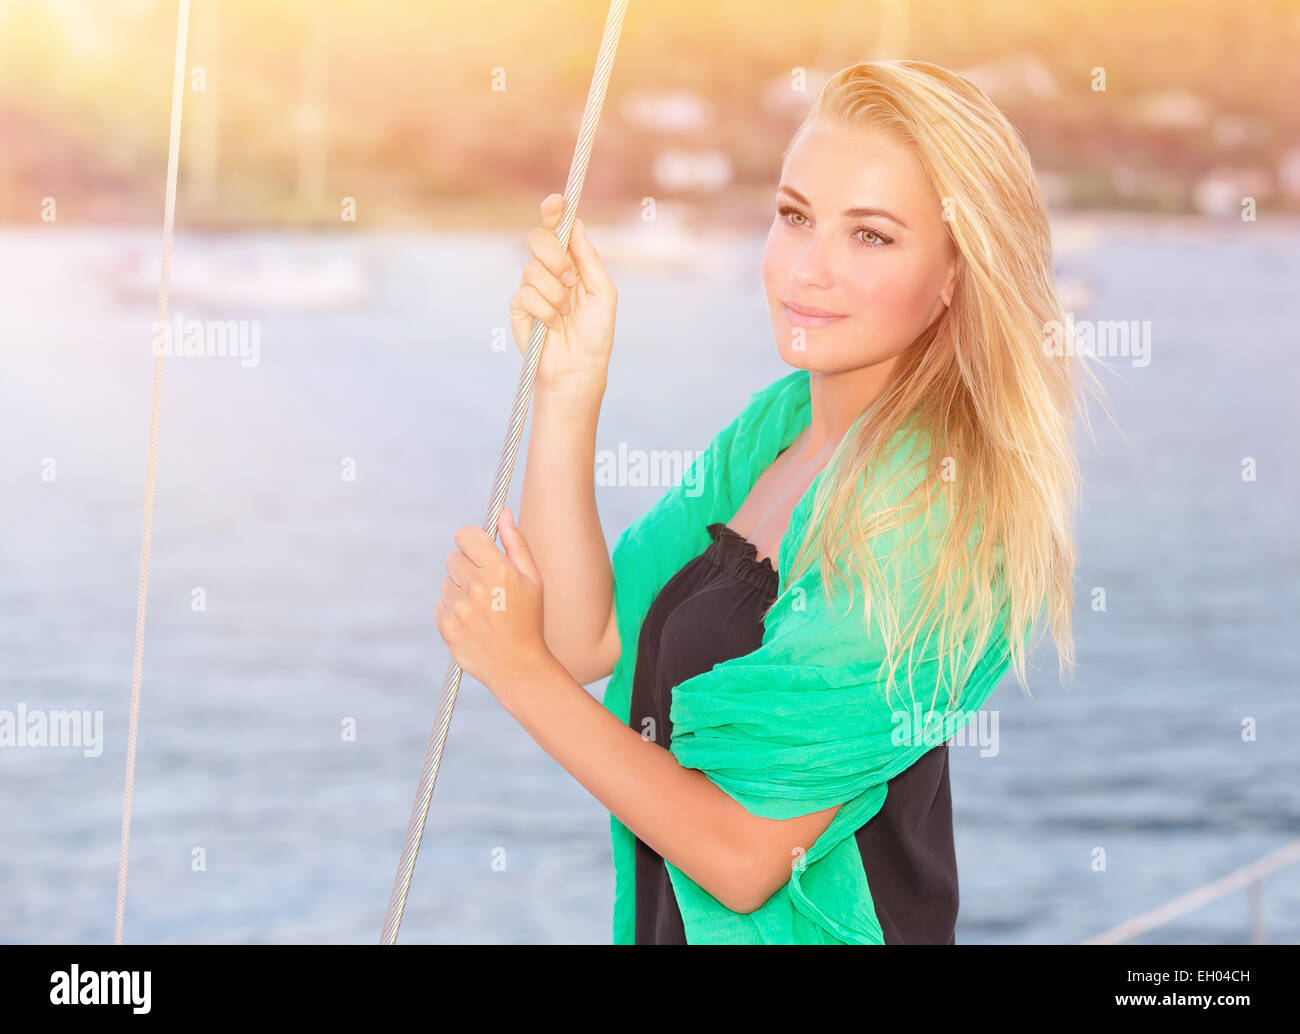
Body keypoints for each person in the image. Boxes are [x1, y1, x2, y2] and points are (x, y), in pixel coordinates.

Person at [433, 59, 1101, 944]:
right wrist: (569, 386)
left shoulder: (930, 508)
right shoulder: (784, 424)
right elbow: (583, 635)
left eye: (870, 236)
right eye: (795, 217)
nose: (808, 268)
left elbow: (748, 858)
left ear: (953, 274)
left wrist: (516, 675)